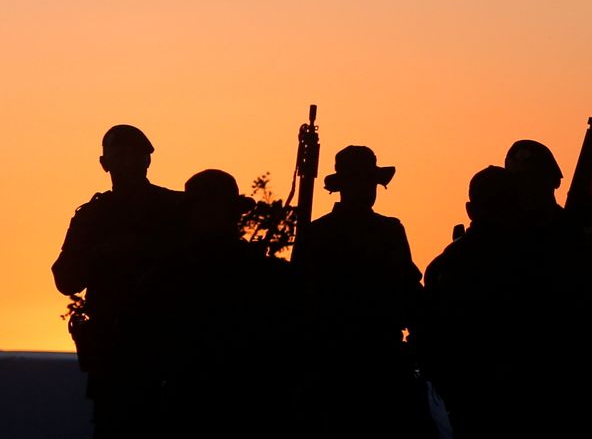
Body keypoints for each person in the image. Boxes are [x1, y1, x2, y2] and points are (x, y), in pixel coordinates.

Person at [291, 145, 435, 439]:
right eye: (361, 180)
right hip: (352, 365)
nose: (368, 188)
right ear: (345, 185)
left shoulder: (319, 233)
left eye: (370, 181)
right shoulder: (385, 232)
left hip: (354, 364)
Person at [51, 124, 183, 439]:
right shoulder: (93, 216)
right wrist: (103, 253)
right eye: (118, 155)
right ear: (105, 164)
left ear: (147, 161)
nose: (126, 163)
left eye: (132, 155)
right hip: (114, 359)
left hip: (167, 351)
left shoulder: (175, 209)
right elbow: (65, 278)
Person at [163, 168, 299, 438]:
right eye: (205, 209)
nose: (210, 216)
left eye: (215, 209)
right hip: (197, 404)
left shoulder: (168, 274)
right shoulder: (168, 275)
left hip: (238, 404)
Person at [502, 139, 592, 439]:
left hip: (575, 387)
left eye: (533, 181)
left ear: (552, 182)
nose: (527, 190)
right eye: (521, 183)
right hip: (520, 391)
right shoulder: (502, 241)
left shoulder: (580, 237)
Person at [418, 165, 522, 439]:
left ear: (470, 209)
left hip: (464, 396)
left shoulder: (445, 264)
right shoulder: (527, 260)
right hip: (503, 397)